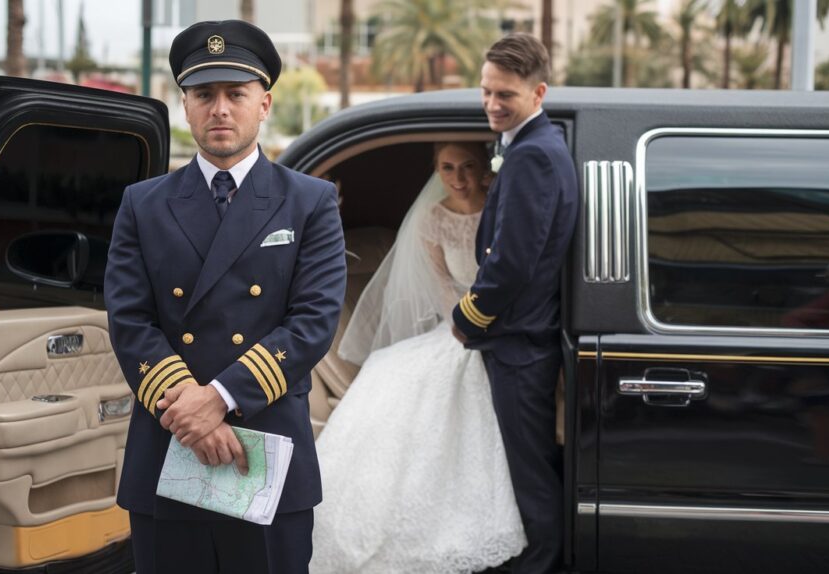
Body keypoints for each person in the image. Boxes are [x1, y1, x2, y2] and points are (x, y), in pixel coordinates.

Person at [104, 20, 346, 574]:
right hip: (170, 448)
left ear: (263, 104)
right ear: (184, 106)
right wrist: (191, 411)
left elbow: (312, 322)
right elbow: (129, 319)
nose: (220, 109)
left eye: (235, 94)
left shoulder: (308, 202)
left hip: (263, 453)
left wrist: (219, 399)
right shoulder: (142, 203)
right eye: (204, 95)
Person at [310, 142, 526, 573]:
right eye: (448, 168)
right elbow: (445, 286)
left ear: (484, 169)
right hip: (460, 326)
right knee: (391, 374)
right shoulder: (432, 220)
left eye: (467, 166)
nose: (458, 177)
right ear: (437, 172)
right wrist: (465, 327)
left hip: (510, 326)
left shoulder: (504, 210)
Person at [451, 34, 579, 574]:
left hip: (519, 344)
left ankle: (543, 564)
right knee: (521, 468)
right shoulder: (533, 148)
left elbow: (511, 264)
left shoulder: (533, 158)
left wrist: (467, 316)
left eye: (505, 94)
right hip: (522, 338)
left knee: (528, 473)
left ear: (538, 92)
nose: (493, 104)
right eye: (486, 91)